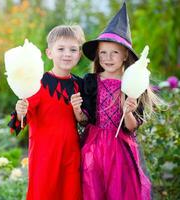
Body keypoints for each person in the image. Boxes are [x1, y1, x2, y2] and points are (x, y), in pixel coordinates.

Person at [71, 3, 159, 200]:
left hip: (120, 149)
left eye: (115, 52)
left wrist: (128, 111)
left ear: (125, 54)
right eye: (103, 52)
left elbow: (131, 127)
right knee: (92, 189)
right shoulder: (91, 82)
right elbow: (84, 121)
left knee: (119, 191)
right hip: (93, 147)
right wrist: (77, 110)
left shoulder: (134, 84)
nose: (108, 58)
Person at [8, 25, 85, 200]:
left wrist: (79, 111)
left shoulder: (79, 85)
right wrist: (20, 112)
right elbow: (20, 121)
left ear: (79, 55)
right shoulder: (37, 83)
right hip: (45, 156)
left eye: (73, 49)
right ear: (49, 53)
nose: (67, 54)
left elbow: (85, 121)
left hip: (71, 154)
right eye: (61, 49)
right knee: (45, 193)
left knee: (71, 194)